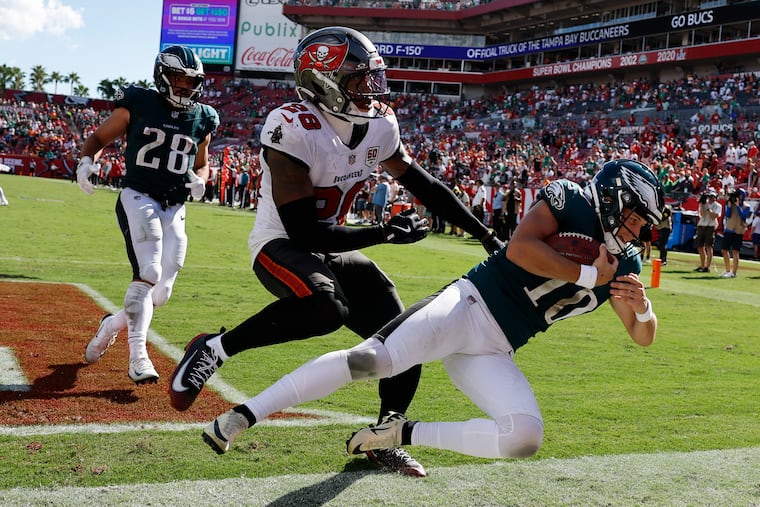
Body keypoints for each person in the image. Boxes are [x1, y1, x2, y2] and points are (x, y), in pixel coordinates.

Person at [168, 27, 502, 477]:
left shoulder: (379, 124)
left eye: (371, 77)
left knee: (406, 334)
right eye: (357, 79)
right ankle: (214, 348)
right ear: (322, 82)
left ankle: (385, 436)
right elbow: (305, 232)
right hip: (279, 244)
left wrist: (486, 234)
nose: (371, 88)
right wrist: (382, 233)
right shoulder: (290, 126)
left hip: (327, 246)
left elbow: (424, 184)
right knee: (327, 308)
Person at [198, 159, 664, 467]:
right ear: (611, 198)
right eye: (636, 218)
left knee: (523, 437)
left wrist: (642, 310)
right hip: (468, 304)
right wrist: (588, 274)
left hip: (496, 348)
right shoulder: (569, 200)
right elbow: (520, 249)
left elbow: (642, 336)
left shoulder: (626, 264)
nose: (638, 231)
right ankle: (243, 415)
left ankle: (402, 433)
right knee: (372, 360)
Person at [77, 46, 219, 384]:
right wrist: (86, 161)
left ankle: (110, 325)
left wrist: (201, 179)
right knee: (149, 271)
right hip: (139, 196)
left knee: (161, 292)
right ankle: (138, 356)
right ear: (162, 76)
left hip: (175, 205)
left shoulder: (204, 116)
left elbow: (202, 161)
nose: (185, 86)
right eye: (178, 79)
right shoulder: (139, 102)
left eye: (191, 81)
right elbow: (98, 137)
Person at [720, 188, 751, 278]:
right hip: (729, 229)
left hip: (738, 230)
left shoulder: (746, 206)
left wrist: (737, 206)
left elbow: (743, 216)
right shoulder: (730, 203)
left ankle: (733, 272)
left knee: (735, 252)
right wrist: (729, 206)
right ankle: (727, 270)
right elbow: (727, 215)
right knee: (724, 250)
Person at [694, 189, 721, 272]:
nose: (711, 198)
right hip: (702, 225)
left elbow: (714, 216)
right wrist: (702, 204)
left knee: (709, 246)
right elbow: (702, 214)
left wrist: (708, 209)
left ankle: (707, 266)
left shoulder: (718, 206)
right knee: (700, 246)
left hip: (710, 226)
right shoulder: (704, 204)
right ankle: (702, 265)